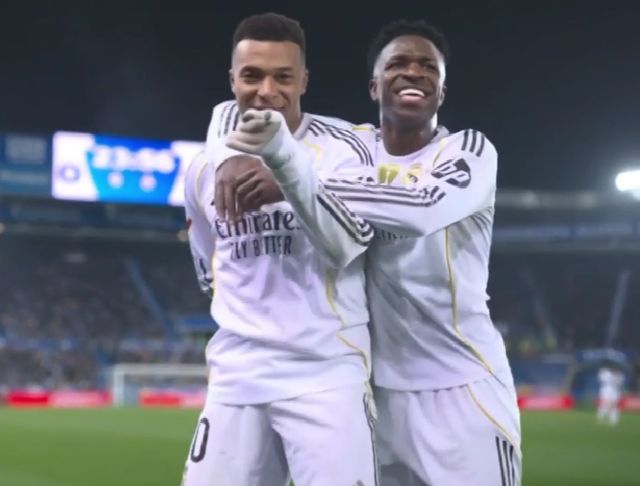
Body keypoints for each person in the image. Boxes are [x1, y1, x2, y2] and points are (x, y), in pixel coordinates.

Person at [224, 19, 522, 486]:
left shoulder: (468, 151)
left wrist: (294, 178)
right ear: (374, 85)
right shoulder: (351, 150)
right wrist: (230, 155)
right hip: (377, 393)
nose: (414, 72)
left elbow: (422, 204)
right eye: (398, 63)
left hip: (462, 385)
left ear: (442, 92)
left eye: (428, 67)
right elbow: (234, 109)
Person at [182, 12, 379, 486]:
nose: (266, 90)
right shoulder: (202, 168)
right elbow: (209, 268)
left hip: (326, 377)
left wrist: (287, 177)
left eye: (283, 77)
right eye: (251, 75)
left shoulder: (348, 149)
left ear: (304, 81)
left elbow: (351, 245)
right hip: (236, 378)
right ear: (233, 79)